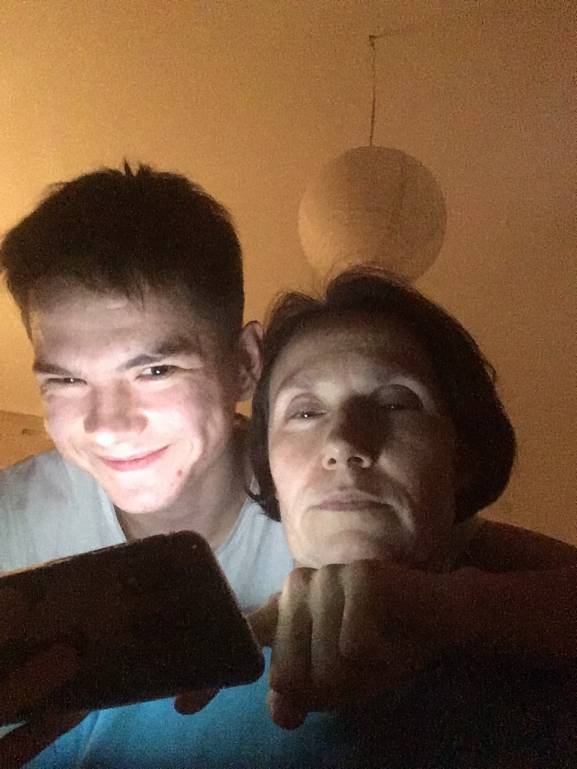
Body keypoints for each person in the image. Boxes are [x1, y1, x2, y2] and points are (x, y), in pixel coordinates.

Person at [0, 165, 575, 766]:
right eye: (66, 381)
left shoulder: (336, 506)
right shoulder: (14, 515)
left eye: (156, 370)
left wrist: (448, 611)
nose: (108, 425)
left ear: (245, 365)